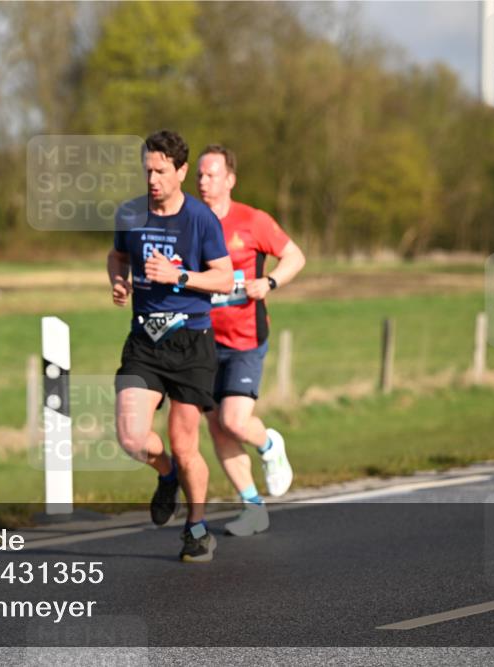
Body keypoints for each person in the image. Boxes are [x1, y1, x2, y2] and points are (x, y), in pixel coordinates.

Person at [109, 130, 233, 563]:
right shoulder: (130, 213)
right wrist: (119, 282)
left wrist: (178, 277)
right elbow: (118, 256)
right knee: (130, 436)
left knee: (184, 442)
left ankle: (197, 529)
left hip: (191, 342)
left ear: (181, 171)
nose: (153, 179)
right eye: (147, 170)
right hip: (144, 340)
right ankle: (167, 476)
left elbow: (224, 278)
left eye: (161, 171)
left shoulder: (201, 220)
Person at [197, 145, 305, 536]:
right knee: (216, 428)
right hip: (203, 340)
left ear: (230, 179)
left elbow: (295, 256)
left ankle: (270, 445)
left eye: (211, 174)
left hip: (245, 337)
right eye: (200, 175)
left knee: (234, 420)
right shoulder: (190, 222)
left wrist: (270, 281)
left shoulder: (252, 220)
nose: (204, 181)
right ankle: (253, 507)